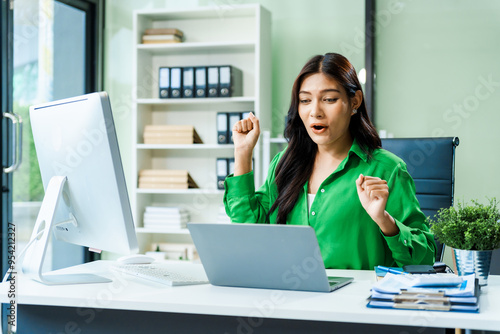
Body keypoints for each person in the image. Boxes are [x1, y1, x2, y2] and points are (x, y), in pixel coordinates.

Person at [223, 53, 436, 270]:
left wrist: (384, 220)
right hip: (290, 295)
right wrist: (242, 152)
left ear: (354, 102)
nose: (315, 111)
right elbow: (248, 229)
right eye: (305, 100)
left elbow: (425, 259)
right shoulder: (284, 163)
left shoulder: (387, 169)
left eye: (329, 99)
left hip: (355, 300)